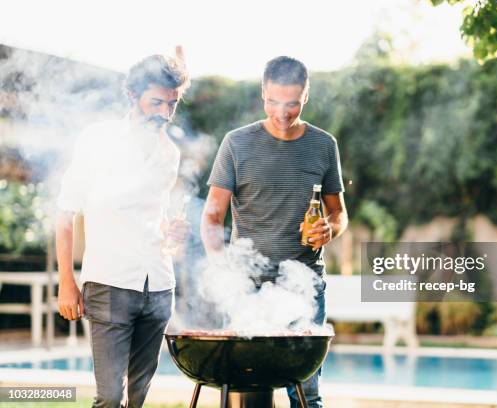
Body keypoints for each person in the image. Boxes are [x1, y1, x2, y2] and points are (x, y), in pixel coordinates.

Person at [201, 55, 348, 408]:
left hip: (304, 285)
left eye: (292, 103)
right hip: (247, 286)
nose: (282, 112)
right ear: (263, 94)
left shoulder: (324, 144)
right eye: (274, 102)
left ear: (306, 96)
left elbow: (339, 214)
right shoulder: (237, 143)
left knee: (307, 394)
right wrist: (223, 269)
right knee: (242, 390)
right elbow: (211, 217)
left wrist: (330, 230)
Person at [56, 47, 190, 408]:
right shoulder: (97, 140)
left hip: (159, 285)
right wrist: (67, 282)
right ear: (133, 95)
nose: (164, 113)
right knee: (110, 396)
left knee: (138, 396)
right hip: (110, 285)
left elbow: (154, 219)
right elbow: (65, 214)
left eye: (172, 104)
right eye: (156, 102)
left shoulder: (169, 154)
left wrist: (170, 233)